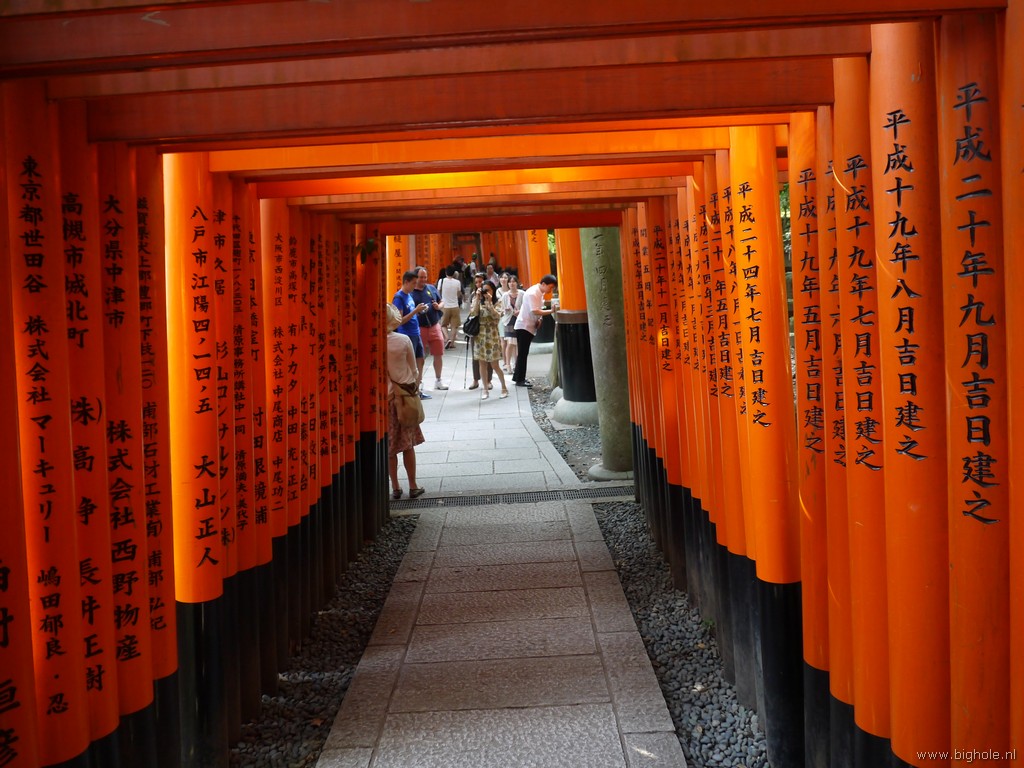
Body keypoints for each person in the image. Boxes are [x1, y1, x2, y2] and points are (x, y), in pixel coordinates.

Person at [385, 303, 425, 499]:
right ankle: (413, 485)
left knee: (389, 448)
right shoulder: (403, 340)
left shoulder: (371, 344)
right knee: (408, 445)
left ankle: (395, 487)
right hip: (404, 398)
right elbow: (414, 370)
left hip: (385, 401)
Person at [512, 273, 558, 388]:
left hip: (528, 325)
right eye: (550, 287)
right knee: (523, 354)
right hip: (524, 326)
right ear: (544, 284)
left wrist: (540, 319)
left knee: (523, 353)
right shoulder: (533, 293)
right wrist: (551, 311)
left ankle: (517, 377)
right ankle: (520, 380)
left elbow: (538, 310)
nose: (551, 290)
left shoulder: (539, 292)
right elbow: (535, 311)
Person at [392, 270, 431, 399]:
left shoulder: (409, 295)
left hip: (416, 332)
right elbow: (399, 321)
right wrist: (415, 311)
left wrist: (419, 311)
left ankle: (417, 389)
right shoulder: (399, 298)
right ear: (406, 282)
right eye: (413, 283)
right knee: (411, 364)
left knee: (420, 360)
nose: (415, 286)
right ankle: (411, 392)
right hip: (407, 334)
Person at [468, 281, 508, 400]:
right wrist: (477, 298)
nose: (486, 292)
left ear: (493, 290)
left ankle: (504, 387)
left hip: (492, 335)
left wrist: (489, 302)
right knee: (482, 364)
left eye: (488, 290)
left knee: (495, 365)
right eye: (484, 290)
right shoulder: (477, 300)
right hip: (480, 335)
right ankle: (485, 389)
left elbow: (497, 316)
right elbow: (473, 313)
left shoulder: (497, 301)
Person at [411, 266, 448, 392]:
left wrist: (439, 306)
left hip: (434, 325)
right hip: (420, 327)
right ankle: (419, 381)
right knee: (420, 356)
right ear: (415, 278)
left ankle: (438, 380)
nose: (423, 280)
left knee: (438, 353)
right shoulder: (411, 292)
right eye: (420, 277)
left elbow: (442, 301)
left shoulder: (431, 288)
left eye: (425, 277)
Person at [499, 275, 523, 375]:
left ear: (517, 283)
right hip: (509, 320)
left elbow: (525, 306)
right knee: (510, 343)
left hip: (520, 320)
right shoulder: (505, 295)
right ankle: (508, 364)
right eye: (510, 282)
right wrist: (505, 310)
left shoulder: (522, 294)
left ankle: (516, 364)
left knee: (517, 343)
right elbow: (501, 309)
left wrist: (520, 311)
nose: (511, 283)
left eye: (513, 281)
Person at [438, 265, 462, 348]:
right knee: (454, 326)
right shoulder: (457, 282)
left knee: (443, 325)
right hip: (455, 306)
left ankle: (447, 338)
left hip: (445, 305)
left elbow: (438, 291)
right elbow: (458, 294)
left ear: (446, 272)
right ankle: (452, 343)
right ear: (454, 273)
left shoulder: (441, 281)